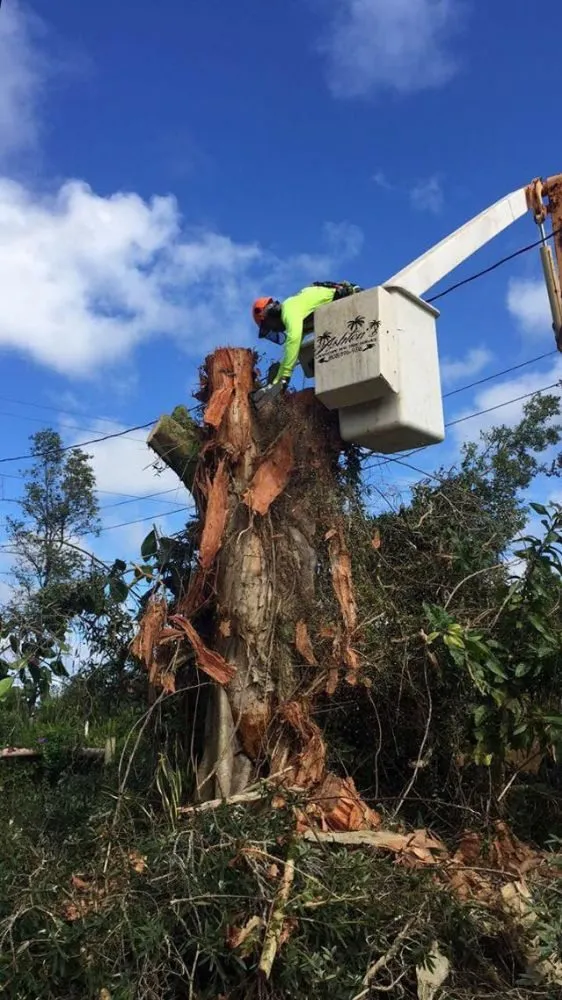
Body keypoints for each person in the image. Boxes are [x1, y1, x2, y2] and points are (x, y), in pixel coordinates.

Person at [251, 281, 362, 409]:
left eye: (270, 326)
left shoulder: (290, 308)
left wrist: (284, 378)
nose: (275, 330)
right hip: (344, 310)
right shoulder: (299, 315)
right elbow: (292, 349)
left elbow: (293, 340)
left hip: (350, 300)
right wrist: (275, 382)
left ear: (271, 313)